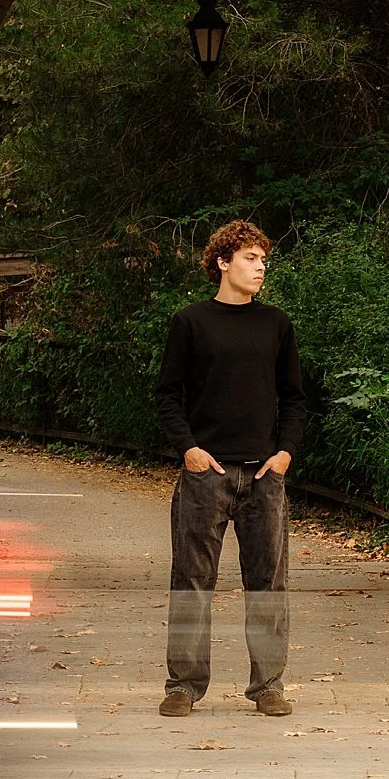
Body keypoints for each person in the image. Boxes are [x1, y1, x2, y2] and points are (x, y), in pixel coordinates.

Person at [152, 219, 306, 718]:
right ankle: (183, 685)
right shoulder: (190, 322)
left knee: (268, 582)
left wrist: (283, 454)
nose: (261, 267)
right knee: (192, 579)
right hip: (206, 473)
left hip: (265, 476)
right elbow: (168, 395)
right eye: (250, 258)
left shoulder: (277, 324)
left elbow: (296, 399)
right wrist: (188, 449)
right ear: (223, 262)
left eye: (264, 260)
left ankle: (268, 686)